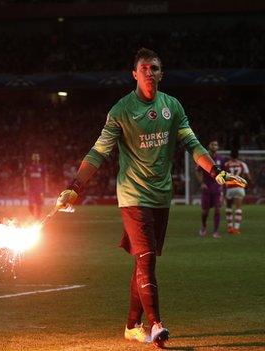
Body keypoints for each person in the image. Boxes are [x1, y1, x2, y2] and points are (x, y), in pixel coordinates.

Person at [54, 48, 246, 348]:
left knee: (144, 262)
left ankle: (132, 326)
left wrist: (217, 172)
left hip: (161, 196)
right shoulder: (120, 110)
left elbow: (192, 143)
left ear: (161, 73)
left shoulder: (173, 107)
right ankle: (156, 324)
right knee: (145, 259)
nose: (150, 73)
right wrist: (75, 186)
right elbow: (98, 151)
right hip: (132, 195)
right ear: (134, 74)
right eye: (144, 68)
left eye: (155, 68)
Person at [194, 141, 225, 238]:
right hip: (207, 187)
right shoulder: (204, 158)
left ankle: (216, 231)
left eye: (216, 144)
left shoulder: (221, 159)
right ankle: (203, 226)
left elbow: (224, 173)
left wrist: (222, 185)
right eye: (213, 144)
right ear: (209, 146)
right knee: (205, 211)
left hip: (217, 187)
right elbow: (197, 171)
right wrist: (202, 183)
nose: (215, 146)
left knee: (217, 209)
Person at [223, 149, 251, 234]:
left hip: (229, 188)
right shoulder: (242, 164)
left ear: (230, 156)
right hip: (239, 188)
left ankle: (230, 227)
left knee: (228, 208)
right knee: (238, 209)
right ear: (238, 156)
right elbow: (248, 177)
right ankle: (236, 228)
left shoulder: (226, 164)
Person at [22, 153, 48, 219]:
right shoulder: (28, 167)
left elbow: (45, 178)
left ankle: (38, 218)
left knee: (39, 204)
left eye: (37, 157)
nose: (36, 158)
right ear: (32, 158)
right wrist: (25, 187)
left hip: (39, 189)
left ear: (39, 158)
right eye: (35, 157)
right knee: (30, 204)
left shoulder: (42, 167)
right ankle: (33, 215)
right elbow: (25, 177)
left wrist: (46, 187)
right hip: (31, 189)